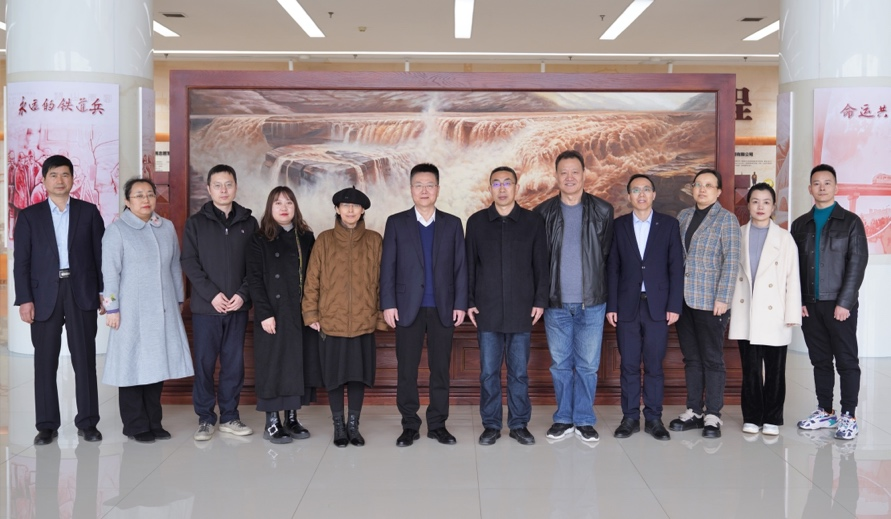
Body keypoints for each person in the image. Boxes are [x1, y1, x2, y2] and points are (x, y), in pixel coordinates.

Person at [13, 154, 105, 445]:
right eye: (53, 175)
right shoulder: (30, 216)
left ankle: (88, 423)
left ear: (73, 179)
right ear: (43, 180)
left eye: (65, 175)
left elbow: (101, 256)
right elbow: (21, 262)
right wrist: (24, 299)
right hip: (43, 296)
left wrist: (104, 293)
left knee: (85, 360)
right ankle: (46, 425)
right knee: (45, 362)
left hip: (82, 292)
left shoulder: (89, 212)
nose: (60, 180)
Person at [101, 178, 194, 443]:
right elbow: (110, 273)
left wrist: (178, 300)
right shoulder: (117, 231)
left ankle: (154, 421)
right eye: (139, 195)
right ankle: (134, 424)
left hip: (162, 309)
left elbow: (174, 266)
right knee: (131, 365)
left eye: (150, 194)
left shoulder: (166, 227)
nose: (146, 199)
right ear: (127, 201)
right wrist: (112, 308)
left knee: (156, 365)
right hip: (130, 310)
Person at [381, 163, 468, 447]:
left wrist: (460, 304)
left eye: (430, 185)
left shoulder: (453, 224)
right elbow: (387, 266)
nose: (424, 190)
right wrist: (388, 303)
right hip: (407, 308)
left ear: (438, 189)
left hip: (443, 307)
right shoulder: (396, 222)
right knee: (406, 370)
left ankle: (437, 424)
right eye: (418, 185)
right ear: (411, 189)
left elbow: (460, 267)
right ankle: (409, 425)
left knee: (440, 370)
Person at [534, 150, 614, 443]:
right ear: (556, 176)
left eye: (575, 172)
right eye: (563, 172)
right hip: (555, 302)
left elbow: (606, 256)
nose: (569, 177)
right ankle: (563, 419)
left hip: (591, 302)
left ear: (584, 175)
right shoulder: (542, 213)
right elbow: (538, 261)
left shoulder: (603, 210)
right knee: (560, 364)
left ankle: (584, 419)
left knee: (588, 365)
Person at [466, 166, 549, 446]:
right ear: (490, 188)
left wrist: (540, 301)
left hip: (521, 309)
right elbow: (469, 266)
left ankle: (518, 424)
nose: (502, 189)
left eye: (507, 183)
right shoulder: (476, 222)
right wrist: (469, 302)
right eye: (496, 183)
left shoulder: (532, 222)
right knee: (488, 373)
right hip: (487, 309)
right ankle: (491, 425)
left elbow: (541, 265)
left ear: (516, 187)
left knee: (519, 373)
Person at [304, 186, 386, 447]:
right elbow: (312, 281)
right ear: (337, 210)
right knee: (335, 376)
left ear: (362, 211)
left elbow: (383, 281)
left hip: (363, 321)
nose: (350, 210)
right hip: (332, 321)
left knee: (358, 376)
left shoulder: (374, 240)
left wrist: (380, 316)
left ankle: (353, 425)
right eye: (345, 206)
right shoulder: (324, 240)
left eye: (355, 206)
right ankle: (338, 425)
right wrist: (311, 313)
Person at [182, 165, 259, 441]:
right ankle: (205, 418)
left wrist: (243, 294)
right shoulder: (196, 223)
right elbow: (189, 262)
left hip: (237, 307)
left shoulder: (249, 222)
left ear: (236, 187)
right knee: (204, 364)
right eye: (217, 185)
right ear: (208, 189)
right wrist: (212, 295)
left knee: (233, 364)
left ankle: (229, 416)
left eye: (228, 184)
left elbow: (256, 265)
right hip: (206, 309)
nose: (223, 190)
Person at [792, 164, 868, 440]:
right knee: (820, 360)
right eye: (816, 183)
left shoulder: (851, 222)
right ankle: (825, 411)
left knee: (846, 361)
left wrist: (845, 302)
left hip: (839, 305)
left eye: (827, 182)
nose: (822, 187)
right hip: (810, 305)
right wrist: (798, 300)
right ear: (809, 188)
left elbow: (857, 263)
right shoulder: (800, 224)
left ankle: (848, 415)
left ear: (836, 187)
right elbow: (794, 267)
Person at [606, 174, 684, 441]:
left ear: (653, 195)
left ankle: (653, 418)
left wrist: (674, 305)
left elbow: (676, 267)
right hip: (626, 306)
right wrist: (612, 305)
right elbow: (613, 267)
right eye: (636, 190)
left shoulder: (669, 225)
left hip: (658, 308)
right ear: (629, 196)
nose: (641, 194)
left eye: (646, 189)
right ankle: (629, 418)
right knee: (628, 365)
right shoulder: (619, 225)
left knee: (654, 366)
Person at [246, 186, 322, 444]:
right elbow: (254, 280)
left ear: (295, 207)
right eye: (278, 202)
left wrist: (313, 311)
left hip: (299, 312)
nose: (284, 207)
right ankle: (272, 422)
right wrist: (264, 313)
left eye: (289, 202)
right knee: (274, 366)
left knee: (296, 365)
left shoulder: (306, 237)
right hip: (273, 313)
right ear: (270, 207)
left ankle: (291, 418)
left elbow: (315, 277)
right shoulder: (259, 239)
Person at [671, 168, 740, 438]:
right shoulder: (684, 216)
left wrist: (724, 297)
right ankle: (694, 411)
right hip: (684, 300)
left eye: (708, 185)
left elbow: (731, 260)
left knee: (712, 359)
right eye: (698, 184)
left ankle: (713, 414)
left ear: (718, 191)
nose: (702, 189)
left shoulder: (727, 219)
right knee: (691, 358)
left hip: (712, 302)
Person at [728, 183, 801, 436]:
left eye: (766, 202)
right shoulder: (738, 234)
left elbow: (793, 278)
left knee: (775, 370)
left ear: (773, 207)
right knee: (750, 370)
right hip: (745, 311)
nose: (761, 207)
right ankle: (751, 416)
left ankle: (772, 417)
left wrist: (792, 314)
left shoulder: (784, 238)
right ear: (748, 205)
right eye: (755, 201)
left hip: (775, 313)